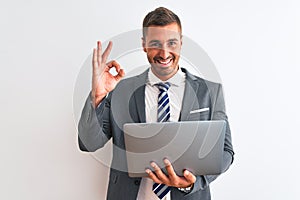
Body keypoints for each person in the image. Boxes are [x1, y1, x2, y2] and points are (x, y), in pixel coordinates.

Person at [78, 7, 234, 200]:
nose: (164, 52)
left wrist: (193, 182)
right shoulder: (121, 89)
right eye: (155, 44)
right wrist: (97, 95)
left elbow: (225, 153)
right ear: (144, 45)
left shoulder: (210, 92)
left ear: (181, 43)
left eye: (172, 43)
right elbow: (88, 143)